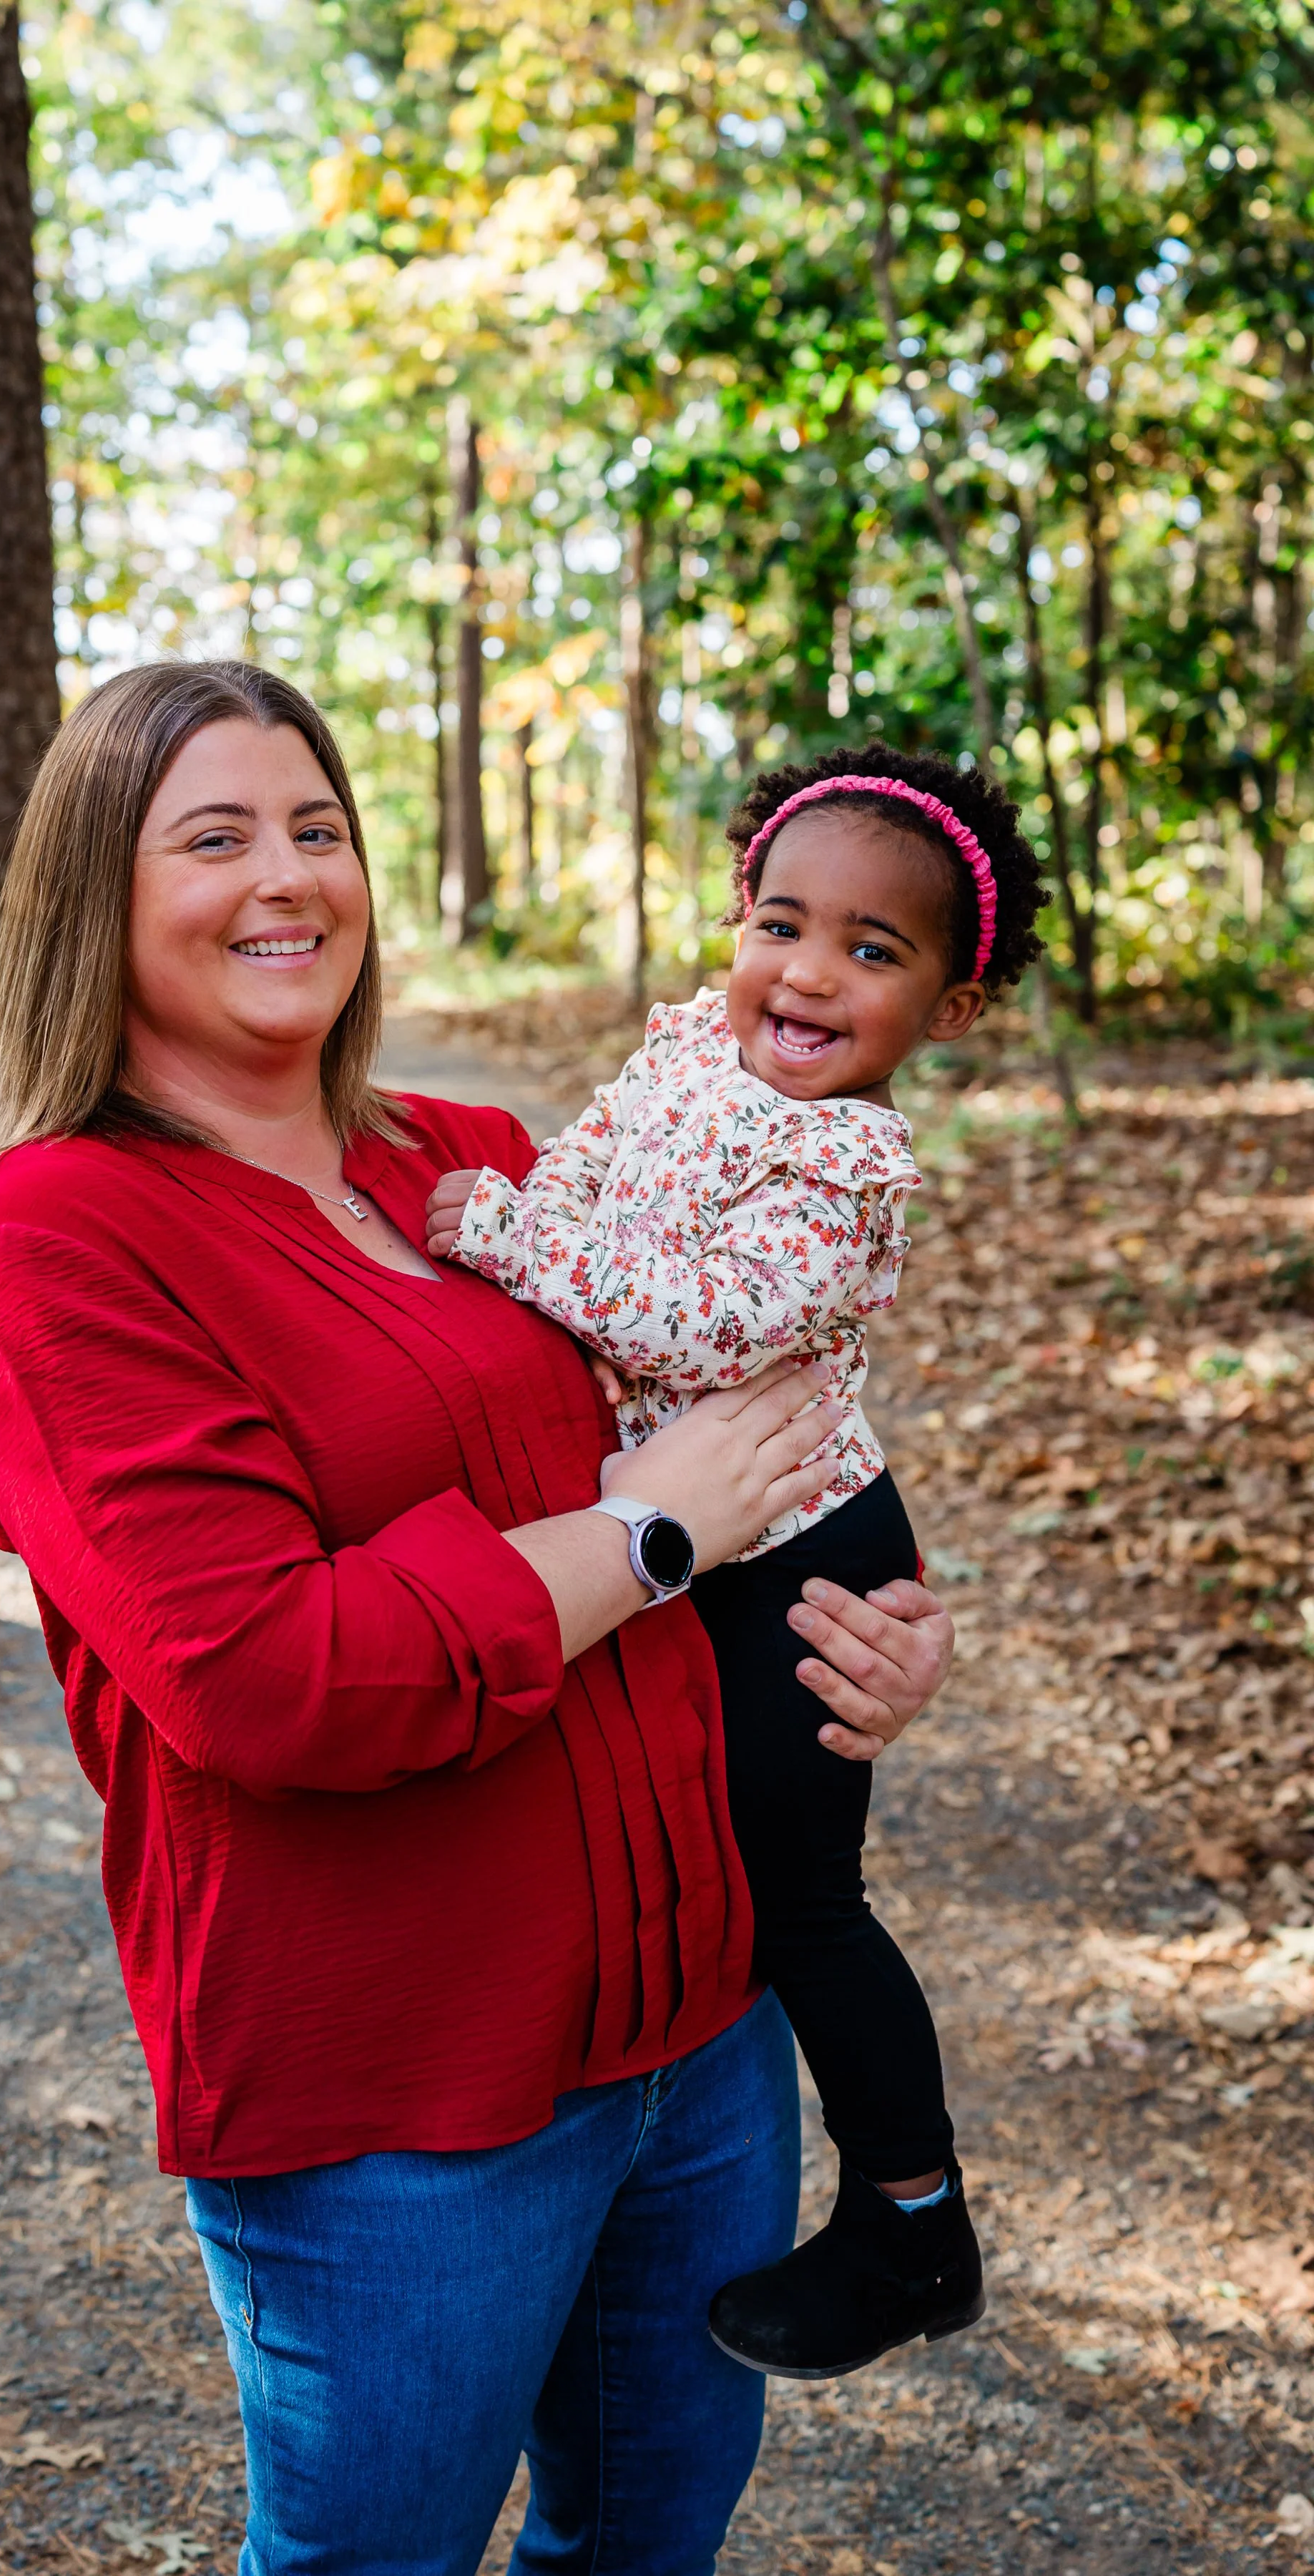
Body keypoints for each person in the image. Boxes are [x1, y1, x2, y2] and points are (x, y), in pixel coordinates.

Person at [0, 663, 957, 2576]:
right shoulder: (57, 1240)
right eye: (216, 835)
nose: (288, 878)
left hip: (704, 2027)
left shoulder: (463, 1155)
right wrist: (644, 1538)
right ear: (95, 890)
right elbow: (266, 1680)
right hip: (400, 2102)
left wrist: (867, 1633)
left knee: (645, 2547)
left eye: (318, 828)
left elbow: (751, 1406)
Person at [428, 750, 1047, 2381]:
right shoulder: (690, 1050)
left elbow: (703, 1321)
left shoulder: (848, 1171)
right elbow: (585, 1181)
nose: (810, 974)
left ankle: (915, 2225)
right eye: (784, 923)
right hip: (704, 1529)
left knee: (802, 1899)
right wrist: (523, 1233)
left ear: (951, 1009)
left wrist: (500, 1236)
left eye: (874, 951)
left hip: (801, 1553)